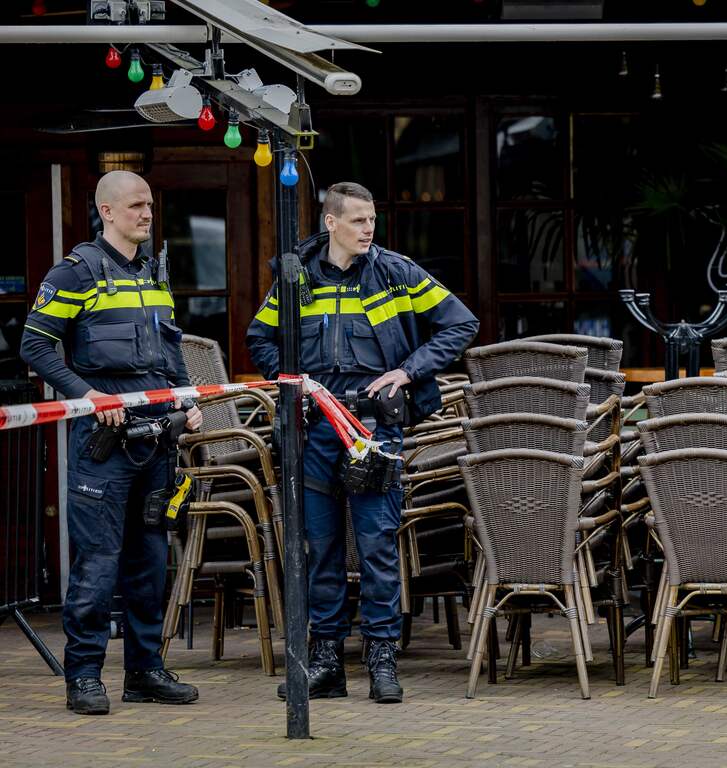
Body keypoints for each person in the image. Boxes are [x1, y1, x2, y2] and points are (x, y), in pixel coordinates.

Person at [247, 182, 479, 704]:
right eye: (357, 220)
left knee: (376, 546)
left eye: (371, 219)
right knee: (319, 548)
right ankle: (325, 662)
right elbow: (259, 337)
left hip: (375, 429)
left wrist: (407, 371)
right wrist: (292, 380)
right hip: (314, 428)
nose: (368, 229)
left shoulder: (395, 271)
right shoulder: (296, 277)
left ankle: (381, 659)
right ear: (330, 222)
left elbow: (461, 323)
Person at [21, 171, 202, 715]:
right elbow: (37, 344)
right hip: (102, 443)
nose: (147, 214)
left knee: (149, 562)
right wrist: (91, 395)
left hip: (156, 439)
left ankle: (145, 671)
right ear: (107, 210)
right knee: (98, 566)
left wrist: (185, 401)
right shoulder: (75, 272)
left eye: (150, 205)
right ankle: (84, 677)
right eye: (136, 205)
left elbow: (169, 354)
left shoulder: (152, 272)